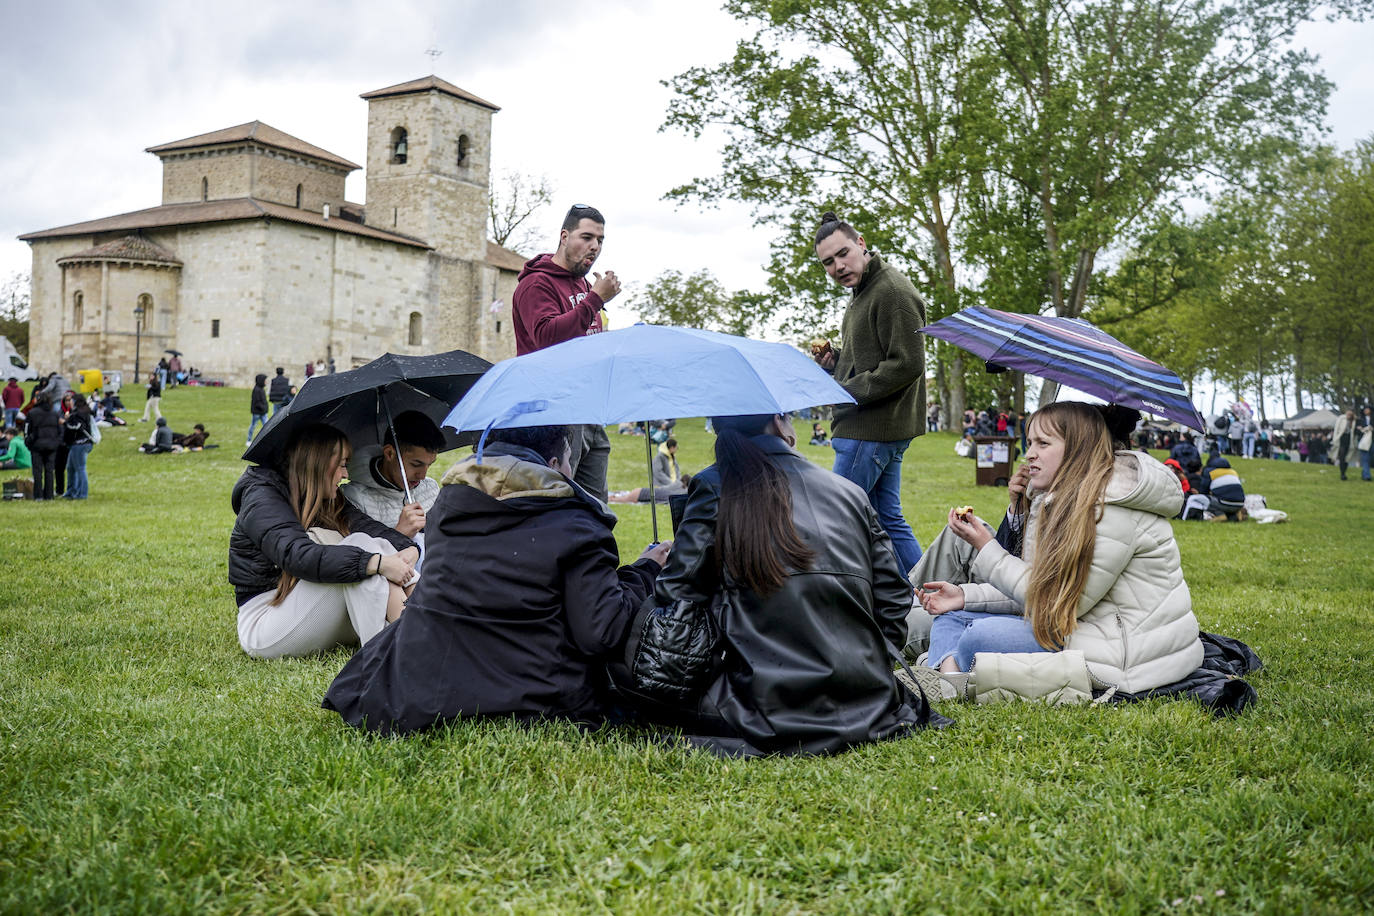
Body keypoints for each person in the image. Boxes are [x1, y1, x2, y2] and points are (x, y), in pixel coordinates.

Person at [625, 412, 944, 757]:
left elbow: (676, 595)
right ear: (779, 422)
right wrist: (866, 665)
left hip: (762, 708)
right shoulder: (850, 492)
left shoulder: (715, 485)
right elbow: (895, 599)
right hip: (871, 700)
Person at [323, 424, 668, 734]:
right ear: (553, 465)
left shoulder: (447, 507)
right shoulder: (577, 523)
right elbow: (601, 632)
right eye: (567, 461)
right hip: (535, 691)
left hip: (429, 680)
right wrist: (645, 570)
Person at [913, 401, 1204, 695]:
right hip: (1074, 627)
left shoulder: (1112, 508)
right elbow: (1041, 582)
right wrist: (964, 595)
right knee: (950, 617)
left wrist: (987, 548)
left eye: (1043, 443)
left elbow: (1055, 603)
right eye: (1029, 443)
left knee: (977, 637)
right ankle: (952, 675)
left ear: (1077, 449)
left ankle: (947, 674)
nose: (1029, 454)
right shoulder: (1063, 498)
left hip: (1119, 653)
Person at [229, 423, 419, 660]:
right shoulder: (262, 497)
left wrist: (409, 549)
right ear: (317, 462)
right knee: (363, 549)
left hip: (312, 609)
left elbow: (373, 530)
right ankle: (408, 643)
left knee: (367, 542)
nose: (346, 474)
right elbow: (297, 556)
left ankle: (425, 626)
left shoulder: (325, 495)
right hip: (267, 621)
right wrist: (377, 563)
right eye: (341, 465)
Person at [811, 212, 927, 574]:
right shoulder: (862, 291)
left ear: (861, 244)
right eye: (828, 262)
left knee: (836, 519)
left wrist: (845, 392)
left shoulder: (892, 290)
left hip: (869, 431)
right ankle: (927, 598)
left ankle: (842, 604)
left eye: (843, 253)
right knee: (888, 519)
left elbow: (908, 363)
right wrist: (837, 362)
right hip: (873, 428)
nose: (838, 266)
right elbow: (872, 359)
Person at [511, 204, 622, 503]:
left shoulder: (584, 284)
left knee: (597, 507)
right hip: (556, 413)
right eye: (586, 237)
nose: (594, 246)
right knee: (559, 502)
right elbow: (548, 338)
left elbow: (586, 342)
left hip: (589, 411)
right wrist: (595, 299)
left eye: (600, 240)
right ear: (564, 236)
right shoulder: (537, 284)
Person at [339, 411, 444, 540]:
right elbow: (357, 555)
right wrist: (399, 534)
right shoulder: (354, 499)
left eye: (429, 465)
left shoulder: (431, 489)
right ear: (389, 453)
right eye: (416, 464)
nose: (422, 476)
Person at [608, 437, 690, 503]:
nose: (676, 449)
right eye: (676, 447)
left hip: (664, 487)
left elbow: (676, 470)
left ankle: (613, 497)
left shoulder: (672, 457)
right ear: (672, 447)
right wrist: (670, 482)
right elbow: (658, 472)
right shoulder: (660, 456)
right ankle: (611, 498)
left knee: (624, 498)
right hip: (661, 485)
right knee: (623, 499)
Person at [24, 393, 62, 500]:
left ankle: (38, 495)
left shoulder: (32, 413)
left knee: (37, 471)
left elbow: (27, 429)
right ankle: (49, 495)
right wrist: (57, 442)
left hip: (37, 445)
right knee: (49, 471)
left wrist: (28, 441)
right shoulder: (54, 413)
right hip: (51, 445)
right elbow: (59, 430)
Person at [60, 394, 95, 499]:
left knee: (80, 468)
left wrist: (65, 422)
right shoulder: (81, 412)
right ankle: (71, 492)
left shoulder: (79, 413)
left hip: (80, 443)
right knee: (70, 468)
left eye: (71, 400)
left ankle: (82, 494)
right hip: (79, 443)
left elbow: (77, 426)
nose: (69, 402)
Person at [1199, 452, 1246, 520]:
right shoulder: (1233, 472)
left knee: (1205, 500)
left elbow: (1203, 491)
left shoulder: (1209, 472)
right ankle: (1236, 515)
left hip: (1224, 503)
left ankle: (1219, 515)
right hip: (1240, 503)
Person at [1331, 409, 1359, 479]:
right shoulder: (1341, 418)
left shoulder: (1354, 421)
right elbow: (1336, 429)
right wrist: (1335, 438)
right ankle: (1342, 473)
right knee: (1342, 456)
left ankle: (1344, 472)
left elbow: (1355, 432)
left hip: (1349, 440)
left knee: (1347, 458)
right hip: (1341, 438)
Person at [248, 374, 269, 445]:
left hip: (263, 413)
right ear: (261, 381)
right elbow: (257, 402)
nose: (266, 382)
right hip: (257, 412)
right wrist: (264, 408)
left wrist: (265, 408)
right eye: (265, 380)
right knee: (253, 426)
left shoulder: (261, 389)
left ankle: (267, 440)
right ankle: (249, 440)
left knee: (267, 426)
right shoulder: (256, 390)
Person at [1358, 406, 1373, 482]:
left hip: (1372, 441)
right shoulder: (1360, 420)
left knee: (1369, 459)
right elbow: (1357, 431)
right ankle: (1367, 476)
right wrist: (1361, 429)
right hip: (1363, 441)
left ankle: (1364, 473)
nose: (1366, 411)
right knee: (1365, 458)